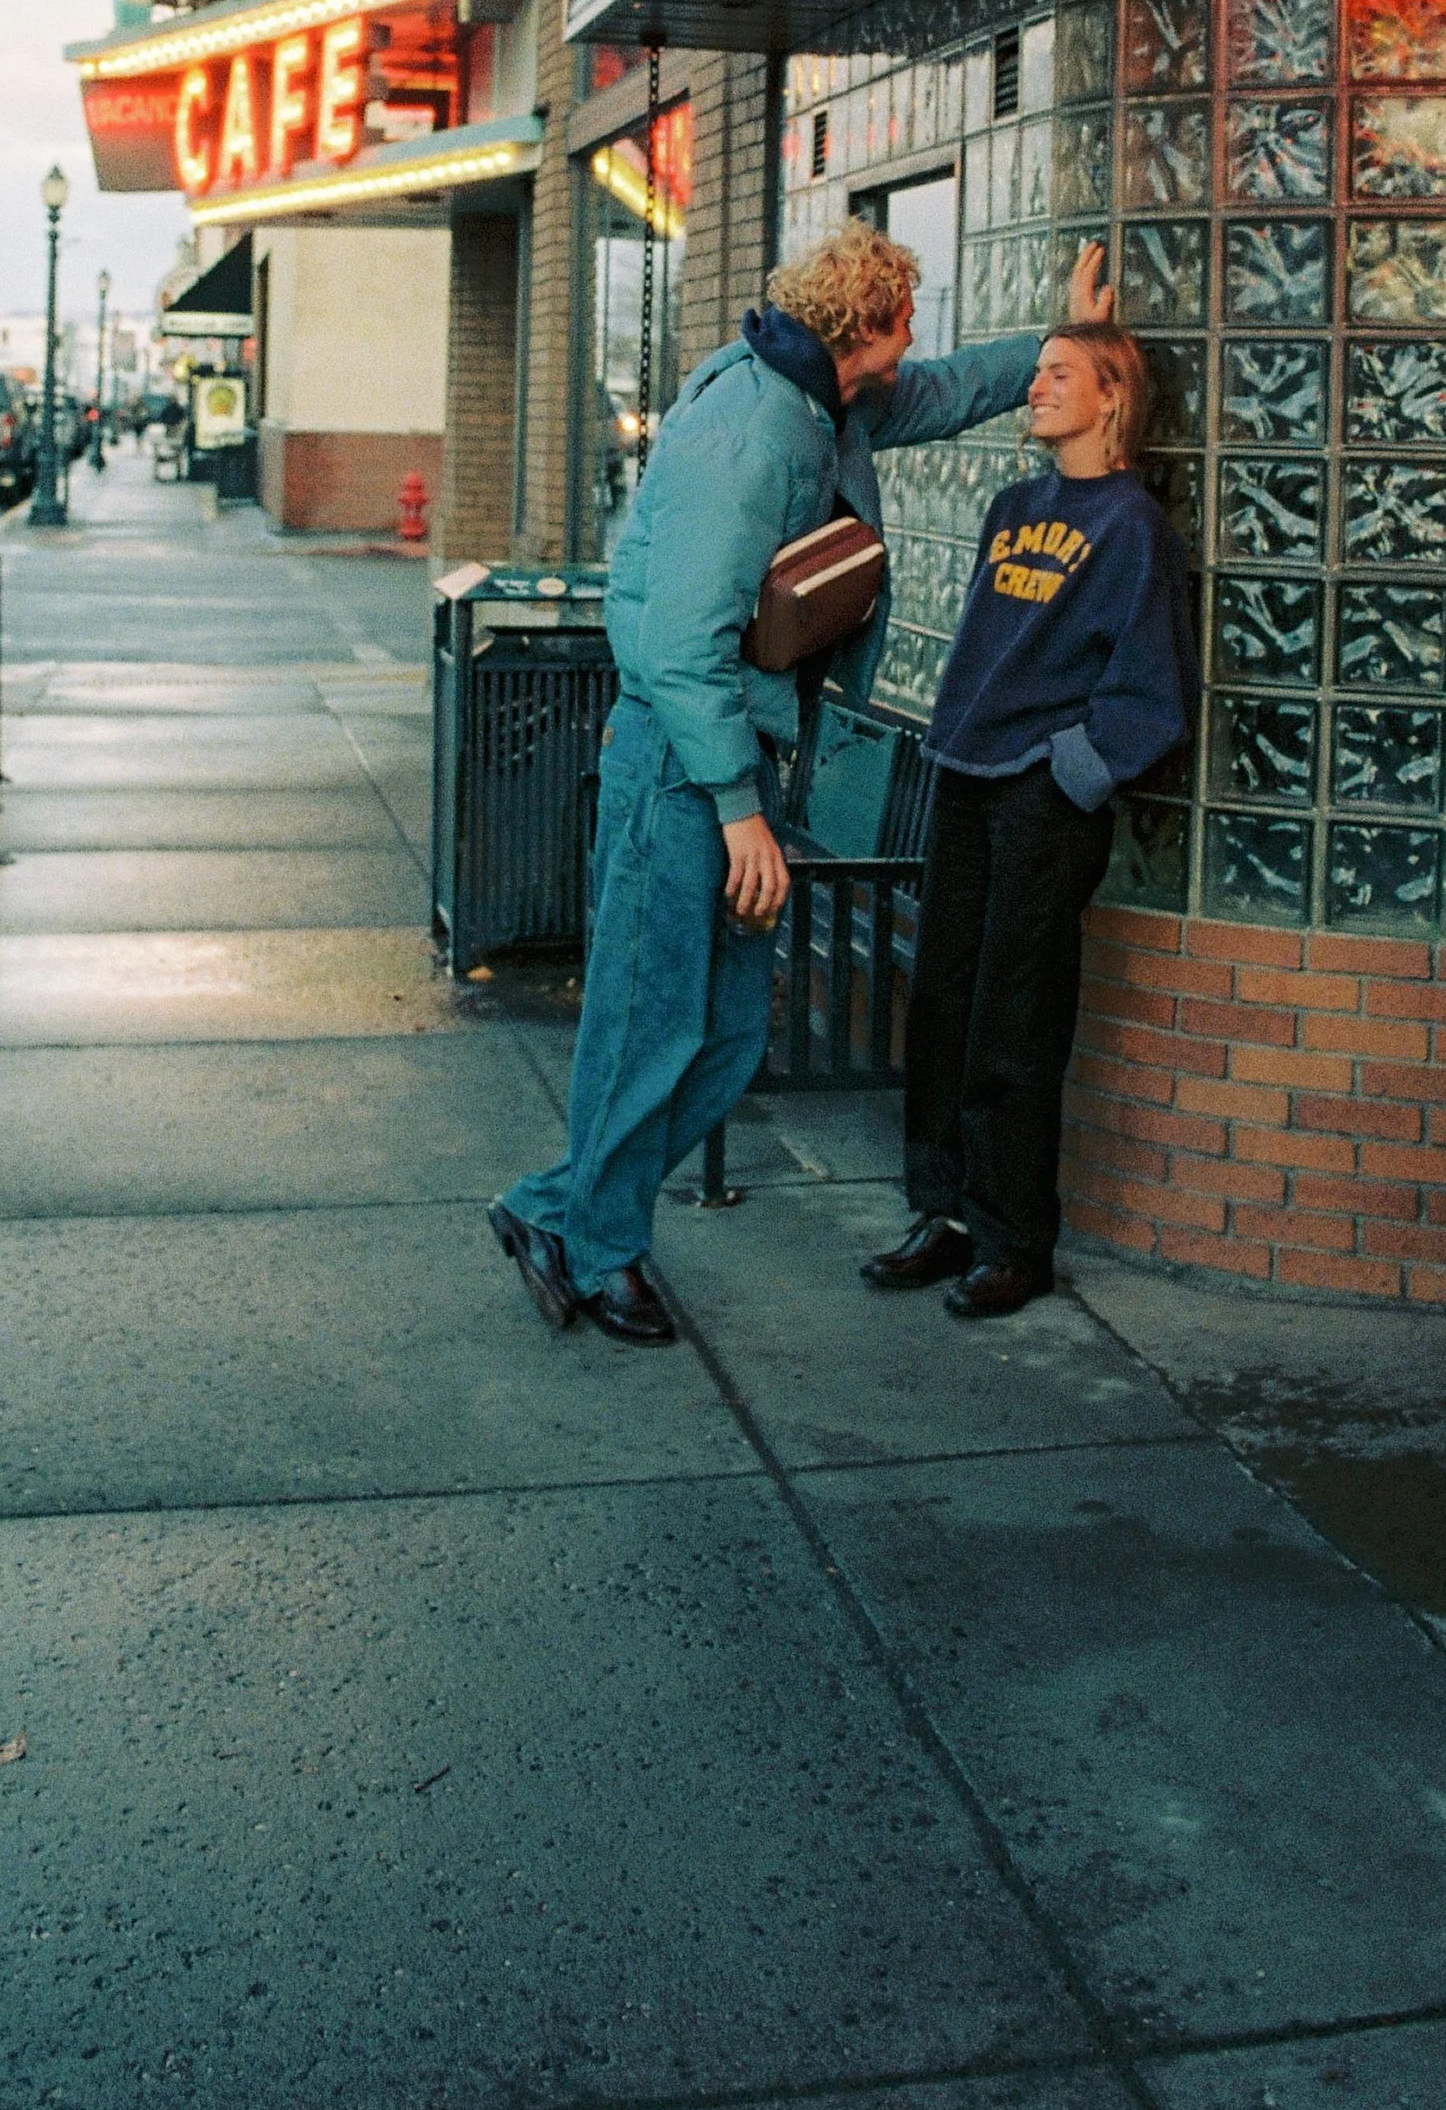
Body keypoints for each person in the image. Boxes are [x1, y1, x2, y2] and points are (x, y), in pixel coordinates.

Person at [491, 221, 1115, 1345]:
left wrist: (1073, 332)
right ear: (862, 325)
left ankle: (553, 1211)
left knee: (725, 1035)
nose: (912, 334)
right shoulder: (750, 433)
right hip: (679, 770)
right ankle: (598, 1243)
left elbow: (950, 387)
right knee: (649, 1027)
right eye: (904, 315)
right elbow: (678, 645)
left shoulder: (830, 400)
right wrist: (740, 812)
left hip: (730, 763)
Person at [860, 319, 1196, 1319]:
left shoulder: (1132, 524)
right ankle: (945, 1214)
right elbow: (981, 645)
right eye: (1037, 371)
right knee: (945, 1001)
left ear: (1112, 396)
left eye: (1059, 373)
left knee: (1016, 1014)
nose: (1036, 387)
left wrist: (1070, 771)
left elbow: (1154, 689)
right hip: (963, 776)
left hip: (1039, 798)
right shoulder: (1013, 505)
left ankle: (1015, 1241)